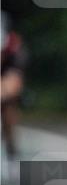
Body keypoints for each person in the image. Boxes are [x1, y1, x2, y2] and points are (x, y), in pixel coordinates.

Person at [1, 10, 29, 169]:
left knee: (8, 108)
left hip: (6, 83)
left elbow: (15, 82)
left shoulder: (15, 48)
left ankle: (11, 151)